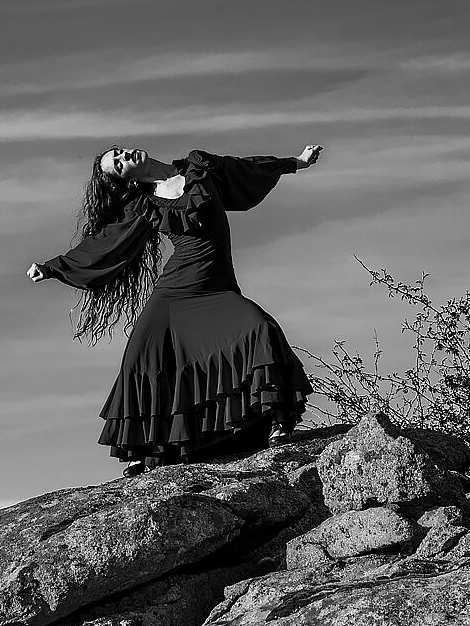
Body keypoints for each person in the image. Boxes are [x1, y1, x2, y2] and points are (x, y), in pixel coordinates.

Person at [27, 142, 322, 473]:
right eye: (118, 165)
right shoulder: (145, 205)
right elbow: (105, 244)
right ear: (126, 180)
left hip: (215, 288)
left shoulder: (200, 167)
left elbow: (244, 169)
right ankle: (143, 449)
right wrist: (54, 267)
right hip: (173, 293)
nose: (124, 158)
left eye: (120, 153)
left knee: (259, 329)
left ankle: (278, 422)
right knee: (141, 356)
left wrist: (295, 162)